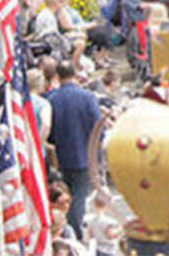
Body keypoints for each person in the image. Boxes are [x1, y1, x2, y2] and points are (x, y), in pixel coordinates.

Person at [47, 60, 101, 239]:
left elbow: (51, 133)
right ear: (75, 74)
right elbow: (97, 126)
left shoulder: (53, 99)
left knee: (70, 196)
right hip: (85, 155)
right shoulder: (88, 97)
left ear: (58, 76)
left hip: (63, 155)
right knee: (78, 198)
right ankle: (73, 233)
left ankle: (67, 230)